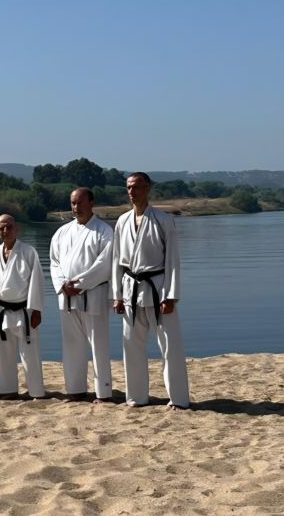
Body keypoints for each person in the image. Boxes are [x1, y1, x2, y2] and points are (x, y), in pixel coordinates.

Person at [112, 172, 189, 410]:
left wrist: (171, 295)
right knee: (131, 345)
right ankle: (137, 397)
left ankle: (178, 399)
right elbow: (116, 260)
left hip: (158, 289)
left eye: (137, 187)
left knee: (170, 346)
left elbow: (172, 260)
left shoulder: (163, 220)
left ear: (148, 189)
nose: (132, 192)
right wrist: (117, 295)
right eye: (129, 187)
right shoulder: (122, 221)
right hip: (130, 289)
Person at [49, 187, 115, 403]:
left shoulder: (104, 231)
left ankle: (103, 392)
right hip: (67, 297)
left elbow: (105, 263)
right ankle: (75, 390)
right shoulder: (62, 232)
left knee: (98, 345)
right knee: (72, 345)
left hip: (94, 295)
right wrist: (62, 284)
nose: (76, 207)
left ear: (91, 203)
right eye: (73, 203)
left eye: (80, 202)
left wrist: (80, 284)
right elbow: (54, 262)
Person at [0, 215, 45, 399]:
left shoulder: (28, 252)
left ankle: (35, 392)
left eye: (9, 227)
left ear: (17, 229)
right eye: (1, 228)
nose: (6, 231)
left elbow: (37, 282)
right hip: (2, 310)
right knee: (4, 354)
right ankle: (7, 390)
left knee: (30, 354)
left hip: (25, 310)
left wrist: (37, 310)